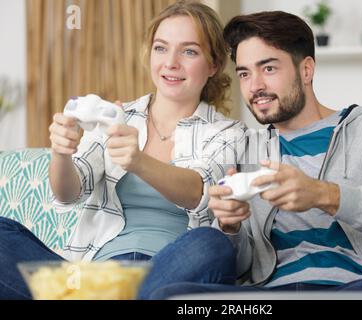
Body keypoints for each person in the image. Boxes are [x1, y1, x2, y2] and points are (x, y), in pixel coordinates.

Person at [136, 10, 362, 299]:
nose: (255, 86)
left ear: (306, 70)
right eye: (244, 74)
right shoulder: (247, 147)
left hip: (359, 290)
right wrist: (230, 227)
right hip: (268, 300)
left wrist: (326, 196)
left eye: (269, 68)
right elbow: (241, 266)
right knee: (173, 297)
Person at [0, 1, 246, 299]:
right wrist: (61, 151)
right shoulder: (116, 116)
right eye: (161, 48)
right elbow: (68, 193)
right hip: (94, 275)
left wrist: (139, 161)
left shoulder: (226, 132)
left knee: (211, 244)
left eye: (189, 51)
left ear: (213, 64)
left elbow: (200, 192)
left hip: (168, 273)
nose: (171, 62)